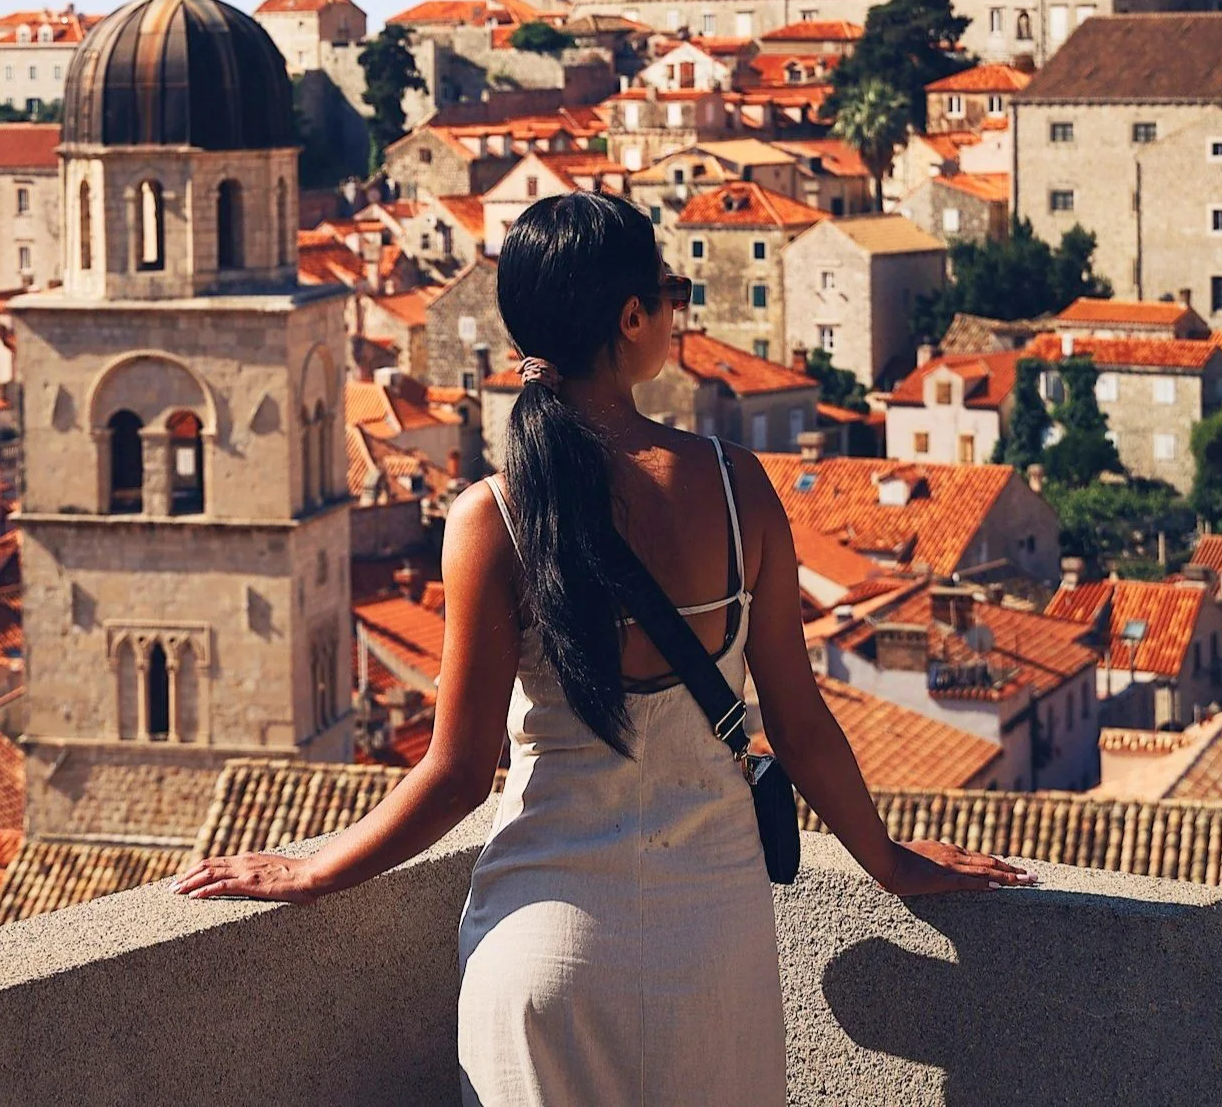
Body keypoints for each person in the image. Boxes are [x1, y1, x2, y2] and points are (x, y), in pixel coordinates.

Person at [174, 192, 1036, 1103]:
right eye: (670, 292)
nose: (675, 309)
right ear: (631, 318)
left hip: (541, 950)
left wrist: (313, 869)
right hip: (712, 952)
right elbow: (799, 723)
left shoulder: (492, 517)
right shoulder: (735, 487)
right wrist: (889, 860)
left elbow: (458, 775)